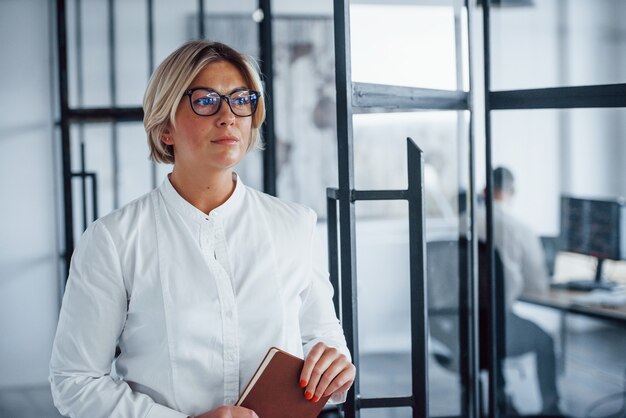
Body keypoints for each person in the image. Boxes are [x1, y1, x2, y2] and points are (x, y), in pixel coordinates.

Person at [49, 40, 355, 418]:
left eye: (241, 100)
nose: (228, 116)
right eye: (206, 100)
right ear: (165, 129)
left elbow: (325, 343)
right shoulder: (114, 240)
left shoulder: (295, 224)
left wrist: (334, 370)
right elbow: (75, 381)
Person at [477, 166, 561, 416]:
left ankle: (501, 398)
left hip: (461, 327)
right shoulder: (520, 230)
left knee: (493, 326)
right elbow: (538, 285)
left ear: (484, 191)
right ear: (512, 192)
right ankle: (551, 407)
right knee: (545, 341)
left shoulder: (464, 223)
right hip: (498, 326)